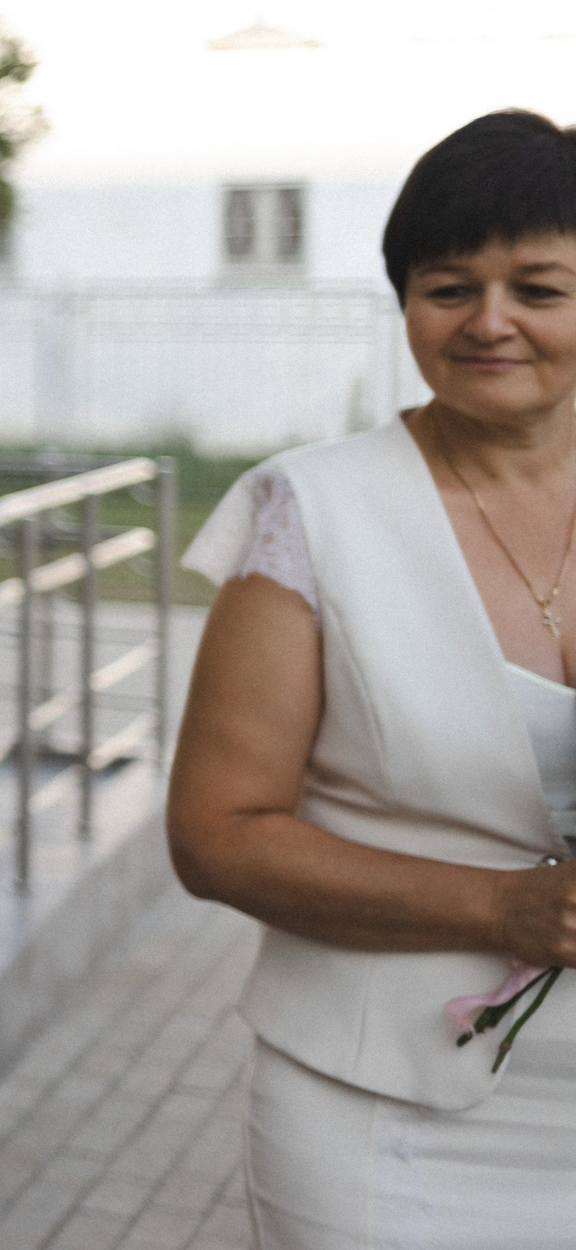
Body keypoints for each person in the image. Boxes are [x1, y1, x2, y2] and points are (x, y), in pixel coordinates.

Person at [171, 109, 576, 1248]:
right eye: (448, 287)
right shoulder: (309, 510)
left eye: (537, 289)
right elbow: (215, 833)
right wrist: (501, 907)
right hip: (379, 1112)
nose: (489, 321)